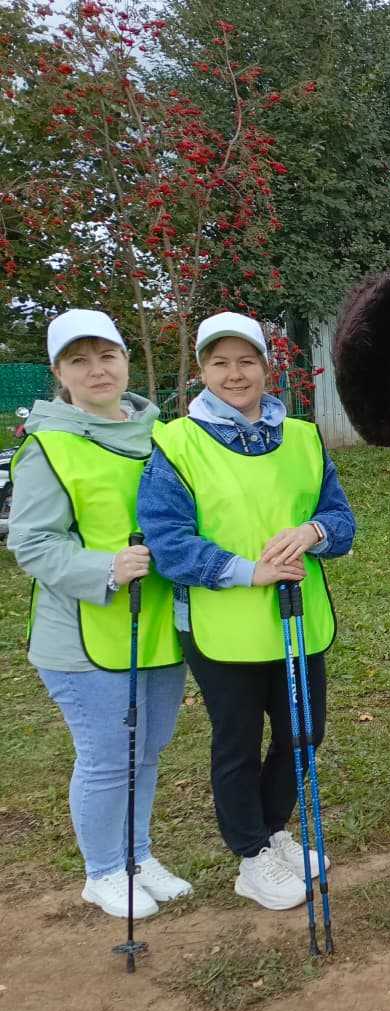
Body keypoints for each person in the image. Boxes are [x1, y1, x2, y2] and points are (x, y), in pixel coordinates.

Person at [138, 312, 355, 911]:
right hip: (220, 625)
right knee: (236, 741)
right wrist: (248, 571)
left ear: (266, 366)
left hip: (296, 619)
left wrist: (314, 531)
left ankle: (274, 830)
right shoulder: (177, 443)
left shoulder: (304, 438)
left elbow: (341, 521)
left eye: (246, 361)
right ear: (202, 371)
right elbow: (169, 543)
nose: (235, 374)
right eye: (219, 362)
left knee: (302, 736)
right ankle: (250, 855)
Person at [8, 309, 189, 919]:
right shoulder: (49, 447)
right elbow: (31, 542)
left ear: (125, 361)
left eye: (106, 355)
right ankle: (103, 871)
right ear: (60, 373)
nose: (97, 370)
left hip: (157, 625)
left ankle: (137, 855)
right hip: (82, 638)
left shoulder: (161, 434)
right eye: (79, 361)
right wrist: (105, 568)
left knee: (148, 748)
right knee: (110, 755)